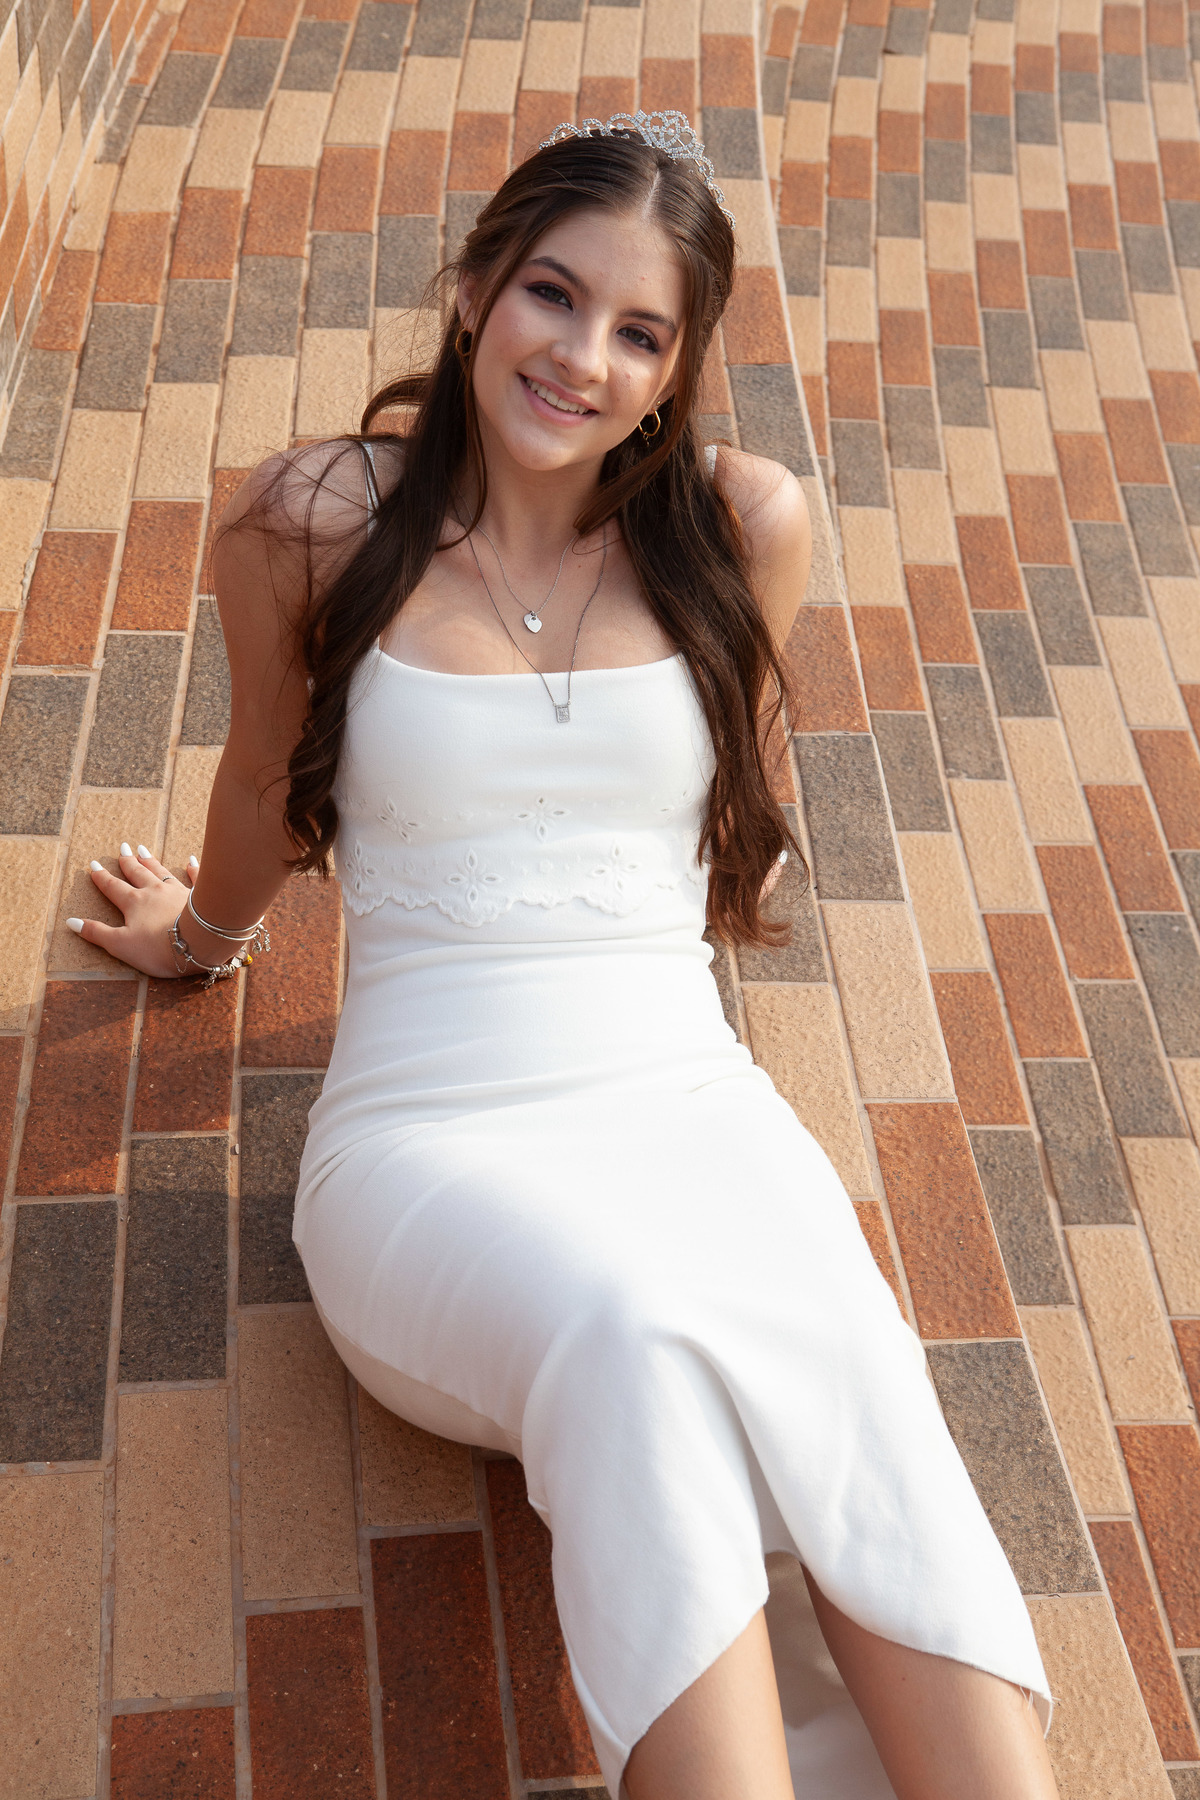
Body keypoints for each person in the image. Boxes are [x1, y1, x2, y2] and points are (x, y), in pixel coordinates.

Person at [70, 113, 1058, 1800]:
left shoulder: (740, 526)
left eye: (640, 331)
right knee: (631, 1331)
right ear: (474, 288)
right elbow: (261, 780)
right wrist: (205, 938)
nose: (583, 357)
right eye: (552, 293)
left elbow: (711, 809)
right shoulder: (316, 520)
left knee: (845, 1329)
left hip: (686, 1098)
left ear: (678, 369)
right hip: (432, 1145)